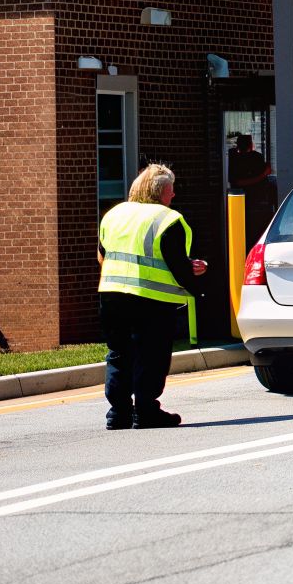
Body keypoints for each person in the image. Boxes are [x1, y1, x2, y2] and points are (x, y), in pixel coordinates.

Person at [95, 164, 206, 430]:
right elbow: (177, 265)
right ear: (159, 192)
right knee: (152, 355)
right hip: (151, 299)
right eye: (171, 189)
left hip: (111, 295)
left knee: (119, 353)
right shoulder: (167, 219)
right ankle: (145, 411)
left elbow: (103, 254)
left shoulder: (114, 214)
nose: (174, 195)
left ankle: (118, 413)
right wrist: (197, 285)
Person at [227, 133, 277, 242]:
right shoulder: (255, 158)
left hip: (240, 203)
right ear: (250, 145)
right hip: (257, 203)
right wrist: (263, 174)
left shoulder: (233, 158)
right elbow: (265, 173)